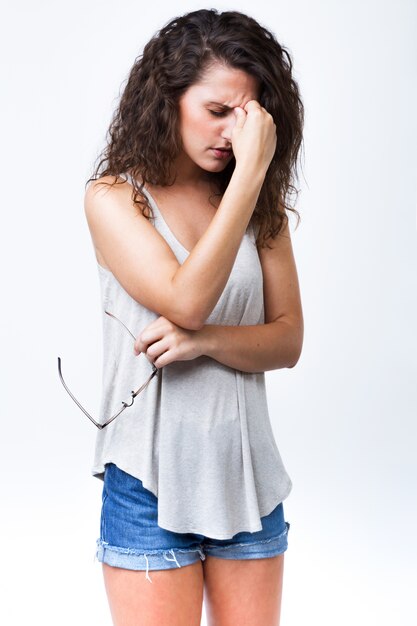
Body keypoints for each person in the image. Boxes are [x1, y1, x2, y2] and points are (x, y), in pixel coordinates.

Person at [84, 8, 304, 626]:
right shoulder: (114, 197)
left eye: (247, 115)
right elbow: (183, 299)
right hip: (147, 481)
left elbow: (288, 340)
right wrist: (249, 180)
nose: (232, 134)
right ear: (169, 100)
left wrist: (204, 342)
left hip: (246, 475)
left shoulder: (264, 211)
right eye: (216, 112)